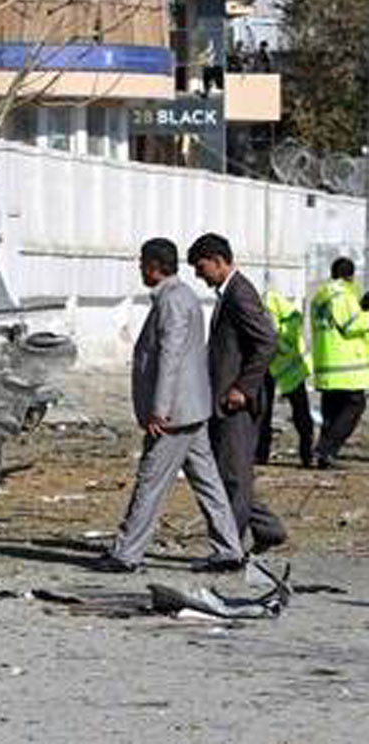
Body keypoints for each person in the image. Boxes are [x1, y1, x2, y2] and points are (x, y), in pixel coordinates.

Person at [94, 239, 244, 573]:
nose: (140, 271)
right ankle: (229, 549)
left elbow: (170, 357)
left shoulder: (173, 301)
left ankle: (126, 553)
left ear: (152, 266)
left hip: (175, 413)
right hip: (192, 409)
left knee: (150, 482)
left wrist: (158, 410)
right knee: (208, 482)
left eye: (141, 265)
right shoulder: (183, 297)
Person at [188, 233, 286, 554]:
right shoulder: (228, 293)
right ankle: (268, 529)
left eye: (201, 267)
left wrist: (243, 388)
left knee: (233, 476)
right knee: (230, 474)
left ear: (218, 261)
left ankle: (228, 550)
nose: (198, 275)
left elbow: (267, 342)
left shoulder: (240, 293)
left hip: (237, 404)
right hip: (224, 400)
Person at [310, 257, 369, 468]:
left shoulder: (320, 296)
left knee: (331, 413)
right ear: (351, 276)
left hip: (326, 364)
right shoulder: (342, 294)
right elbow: (351, 325)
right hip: (346, 367)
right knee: (355, 405)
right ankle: (324, 450)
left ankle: (324, 457)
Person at [255, 289, 314, 466]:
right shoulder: (285, 312)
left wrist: (278, 346)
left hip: (281, 366)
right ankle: (306, 454)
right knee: (293, 412)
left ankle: (305, 453)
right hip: (281, 366)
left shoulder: (270, 307)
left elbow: (272, 335)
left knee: (269, 413)